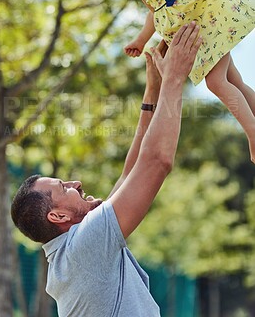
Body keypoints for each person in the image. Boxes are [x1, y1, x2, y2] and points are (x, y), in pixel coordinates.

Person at [11, 22, 202, 317]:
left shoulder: (72, 253)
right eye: (64, 187)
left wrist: (153, 90)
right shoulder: (84, 247)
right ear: (58, 216)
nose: (75, 183)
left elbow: (130, 173)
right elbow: (156, 163)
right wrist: (175, 78)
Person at [99, 0, 255, 162]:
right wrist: (140, 40)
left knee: (216, 82)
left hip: (207, 19)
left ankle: (253, 134)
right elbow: (155, 9)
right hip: (193, 30)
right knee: (233, 80)